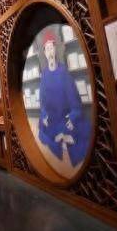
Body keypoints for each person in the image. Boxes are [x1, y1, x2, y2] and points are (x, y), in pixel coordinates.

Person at [38, 30, 89, 167]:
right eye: (47, 49)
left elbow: (74, 100)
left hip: (65, 116)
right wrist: (44, 115)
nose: (50, 52)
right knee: (43, 129)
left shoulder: (63, 71)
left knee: (83, 128)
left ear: (55, 50)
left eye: (52, 48)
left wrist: (72, 117)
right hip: (52, 118)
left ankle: (65, 137)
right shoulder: (44, 75)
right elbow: (42, 101)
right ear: (44, 52)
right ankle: (63, 138)